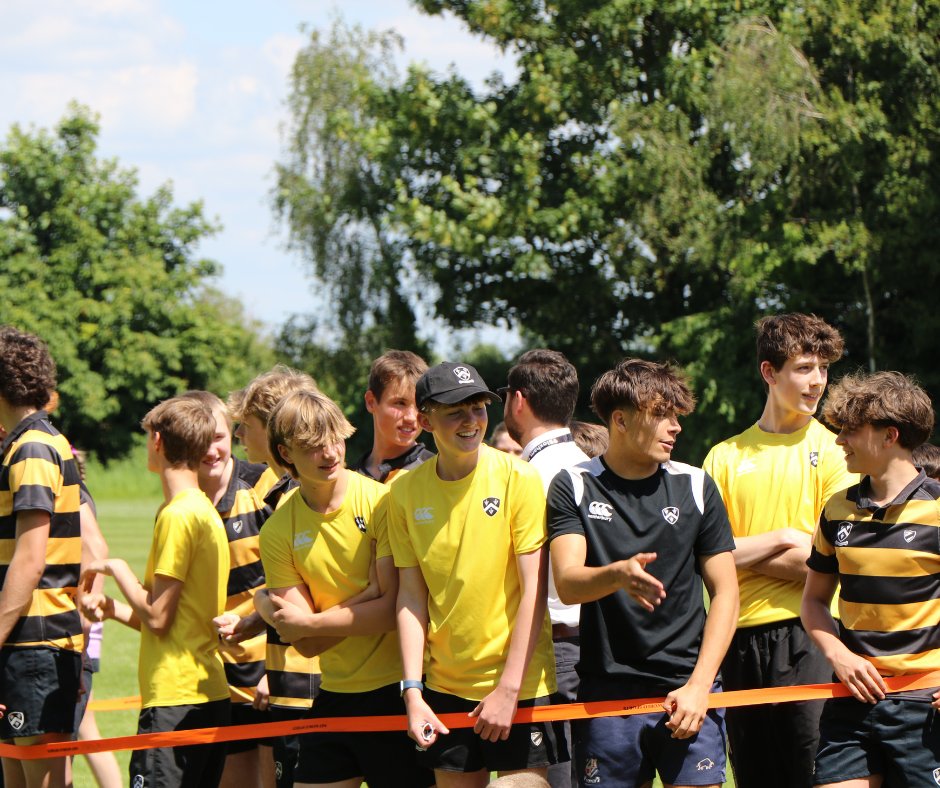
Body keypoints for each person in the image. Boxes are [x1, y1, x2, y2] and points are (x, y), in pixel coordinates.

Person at [549, 358, 739, 788]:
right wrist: (616, 575)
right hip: (608, 697)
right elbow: (568, 582)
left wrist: (700, 686)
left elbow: (727, 593)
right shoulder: (573, 484)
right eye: (662, 415)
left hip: (688, 689)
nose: (676, 427)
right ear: (620, 420)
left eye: (677, 415)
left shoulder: (696, 485)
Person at [389, 361, 562, 788]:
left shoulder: (519, 477)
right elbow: (410, 597)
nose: (471, 421)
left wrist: (508, 689)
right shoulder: (404, 492)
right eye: (455, 412)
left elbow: (534, 590)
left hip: (521, 686)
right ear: (426, 421)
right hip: (444, 689)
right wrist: (413, 692)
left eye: (479, 408)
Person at [702, 313, 856, 788]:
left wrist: (738, 554)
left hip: (812, 633)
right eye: (804, 368)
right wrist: (787, 537)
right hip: (736, 636)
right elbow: (704, 559)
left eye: (823, 369)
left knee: (813, 773)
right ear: (769, 372)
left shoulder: (837, 452)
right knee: (754, 777)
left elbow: (834, 562)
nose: (818, 382)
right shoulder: (724, 457)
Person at [259, 389, 432, 788]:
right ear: (286, 453)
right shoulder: (278, 529)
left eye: (335, 439)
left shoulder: (381, 502)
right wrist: (366, 596)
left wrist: (312, 622)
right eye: (313, 446)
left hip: (398, 691)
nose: (330, 453)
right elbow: (306, 644)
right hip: (335, 693)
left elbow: (392, 611)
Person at [81, 395, 231, 788]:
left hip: (175, 699)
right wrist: (113, 608)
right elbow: (171, 618)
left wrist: (116, 569)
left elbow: (159, 618)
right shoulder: (200, 509)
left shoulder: (178, 515)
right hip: (207, 694)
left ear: (158, 441)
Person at [802, 370, 940, 786]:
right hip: (852, 701)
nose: (839, 440)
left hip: (925, 705)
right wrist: (838, 656)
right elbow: (813, 602)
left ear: (889, 436)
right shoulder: (836, 510)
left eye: (850, 430)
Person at [0, 326, 83, 788]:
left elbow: (30, 559)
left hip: (35, 646)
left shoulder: (32, 448)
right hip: (23, 644)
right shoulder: (24, 443)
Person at [227, 367, 318, 788]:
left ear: (273, 427)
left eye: (246, 425)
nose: (239, 436)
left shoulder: (299, 496)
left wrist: (270, 670)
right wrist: (252, 620)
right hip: (288, 675)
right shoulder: (281, 490)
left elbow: (309, 593)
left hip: (304, 681)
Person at [179, 391, 275, 788]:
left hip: (269, 676)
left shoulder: (264, 487)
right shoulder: (182, 503)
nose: (210, 450)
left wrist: (277, 669)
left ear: (232, 433)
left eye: (218, 437)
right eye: (199, 440)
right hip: (216, 681)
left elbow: (297, 583)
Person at [502, 348, 588, 788]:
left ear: (518, 400)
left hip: (551, 649)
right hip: (600, 644)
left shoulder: (523, 476)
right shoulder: (594, 466)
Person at [350, 350, 435, 483]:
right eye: (400, 403)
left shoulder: (438, 474)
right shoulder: (347, 480)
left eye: (420, 406)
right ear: (371, 402)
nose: (411, 417)